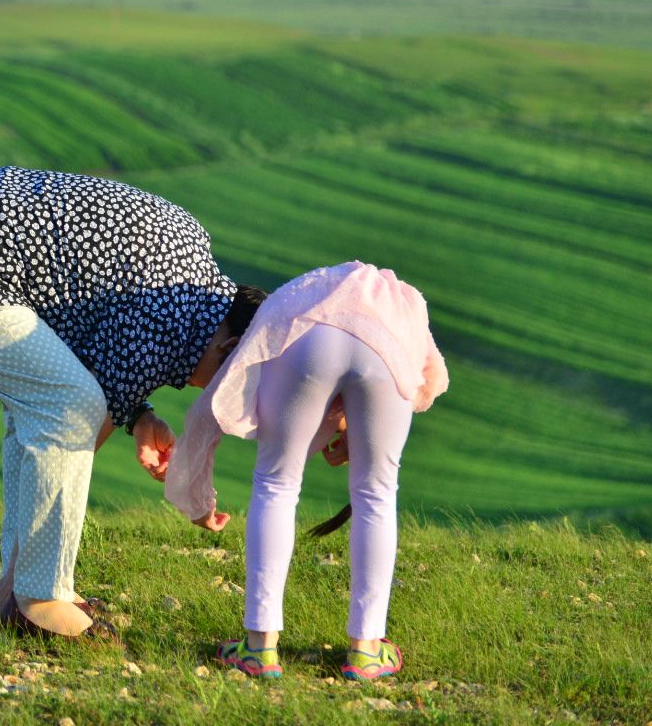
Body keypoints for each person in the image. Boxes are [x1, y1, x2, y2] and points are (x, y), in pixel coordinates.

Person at [0, 166, 265, 638]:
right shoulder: (170, 316)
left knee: (51, 400)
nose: (219, 399)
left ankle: (22, 591)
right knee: (68, 407)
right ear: (230, 351)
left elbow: (97, 348)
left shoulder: (189, 292)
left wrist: (139, 414)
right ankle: (37, 599)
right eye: (241, 388)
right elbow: (79, 423)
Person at [165, 260, 447, 681]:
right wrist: (360, 426)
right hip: (389, 353)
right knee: (377, 492)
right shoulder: (406, 305)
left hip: (307, 337)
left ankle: (260, 648)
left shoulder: (309, 288)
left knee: (276, 483)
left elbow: (262, 341)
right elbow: (425, 382)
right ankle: (367, 650)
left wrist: (196, 489)